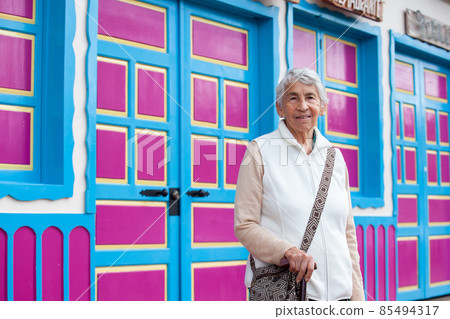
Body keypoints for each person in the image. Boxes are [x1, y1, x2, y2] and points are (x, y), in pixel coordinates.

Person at [234, 68, 365, 301]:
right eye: (293, 98)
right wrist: (286, 251)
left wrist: (357, 297)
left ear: (322, 107)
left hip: (340, 296)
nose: (303, 106)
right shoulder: (260, 151)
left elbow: (347, 234)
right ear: (280, 108)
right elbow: (245, 225)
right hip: (287, 293)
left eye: (310, 97)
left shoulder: (334, 157)